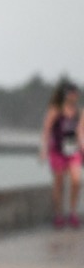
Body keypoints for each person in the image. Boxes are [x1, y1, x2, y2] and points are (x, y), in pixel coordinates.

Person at [39, 80, 83, 228]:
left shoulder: (79, 112)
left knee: (76, 180)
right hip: (57, 150)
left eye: (75, 93)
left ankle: (73, 212)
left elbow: (80, 132)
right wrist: (43, 150)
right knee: (59, 182)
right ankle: (59, 213)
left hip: (73, 151)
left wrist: (82, 147)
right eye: (71, 93)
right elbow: (46, 131)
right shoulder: (55, 110)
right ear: (65, 94)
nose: (74, 96)